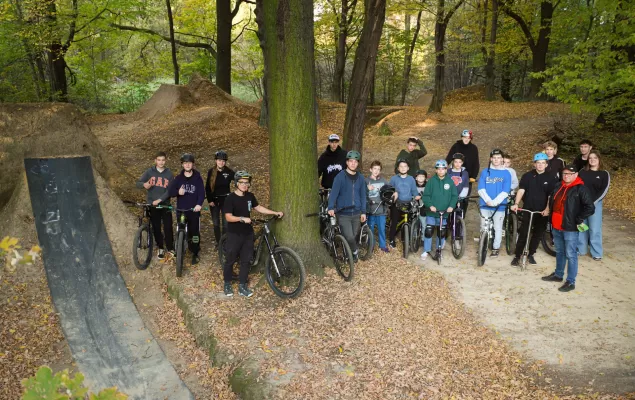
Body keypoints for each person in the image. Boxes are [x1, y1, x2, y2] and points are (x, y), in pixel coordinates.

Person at [222, 171, 284, 297]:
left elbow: (258, 207)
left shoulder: (250, 196)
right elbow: (228, 217)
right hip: (234, 233)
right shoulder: (230, 198)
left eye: (247, 183)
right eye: (242, 183)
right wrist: (241, 218)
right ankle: (227, 283)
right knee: (230, 259)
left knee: (246, 260)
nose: (245, 185)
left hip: (248, 233)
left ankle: (242, 286)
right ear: (236, 183)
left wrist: (274, 213)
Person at [542, 165, 594, 292]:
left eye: (570, 174)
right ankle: (558, 275)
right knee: (560, 252)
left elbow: (590, 207)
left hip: (570, 228)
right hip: (556, 226)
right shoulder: (558, 186)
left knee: (571, 254)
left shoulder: (581, 189)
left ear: (576, 174)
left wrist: (579, 218)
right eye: (565, 173)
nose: (567, 176)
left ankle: (571, 281)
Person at [510, 153, 558, 266]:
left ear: (546, 164)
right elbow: (521, 190)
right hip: (528, 208)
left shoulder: (552, 178)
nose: (540, 165)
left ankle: (531, 254)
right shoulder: (527, 176)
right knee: (524, 233)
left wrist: (547, 209)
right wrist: (516, 203)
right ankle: (517, 255)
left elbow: (551, 195)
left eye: (543, 163)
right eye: (538, 163)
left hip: (542, 211)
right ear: (534, 164)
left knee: (537, 234)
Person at [328, 150, 367, 261]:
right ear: (347, 162)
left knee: (354, 236)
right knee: (349, 236)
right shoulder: (340, 177)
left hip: (356, 212)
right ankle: (355, 251)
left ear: (358, 163)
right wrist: (331, 207)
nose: (353, 163)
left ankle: (349, 253)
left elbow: (363, 195)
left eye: (355, 161)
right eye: (351, 161)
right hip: (343, 213)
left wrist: (363, 211)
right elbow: (334, 193)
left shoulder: (361, 178)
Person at [168, 153, 205, 265]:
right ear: (182, 165)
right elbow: (170, 191)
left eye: (189, 163)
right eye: (185, 163)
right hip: (181, 210)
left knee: (194, 233)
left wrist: (199, 204)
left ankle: (195, 252)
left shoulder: (198, 178)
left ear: (193, 164)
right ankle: (179, 248)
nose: (187, 165)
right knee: (180, 229)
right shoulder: (178, 179)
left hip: (193, 210)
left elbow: (201, 193)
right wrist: (177, 192)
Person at [136, 151, 174, 259]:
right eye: (159, 160)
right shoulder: (149, 172)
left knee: (167, 227)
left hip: (165, 204)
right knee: (156, 227)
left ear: (165, 161)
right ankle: (160, 247)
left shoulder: (169, 174)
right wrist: (144, 184)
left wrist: (160, 199)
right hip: (152, 204)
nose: (161, 162)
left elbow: (170, 190)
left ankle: (171, 247)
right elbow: (138, 183)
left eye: (163, 160)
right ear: (155, 161)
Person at [477, 149, 512, 258]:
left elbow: (505, 190)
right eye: (494, 158)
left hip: (499, 206)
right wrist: (488, 200)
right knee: (484, 226)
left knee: (497, 227)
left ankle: (495, 248)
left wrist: (495, 202)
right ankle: (483, 245)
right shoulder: (485, 172)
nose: (496, 160)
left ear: (502, 159)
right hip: (484, 204)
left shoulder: (506, 173)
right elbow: (481, 188)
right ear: (491, 159)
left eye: (499, 158)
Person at [421, 160, 458, 261]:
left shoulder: (450, 182)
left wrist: (451, 206)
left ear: (446, 170)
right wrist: (430, 205)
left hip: (444, 213)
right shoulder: (431, 181)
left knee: (441, 232)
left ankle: (439, 250)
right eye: (439, 169)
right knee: (429, 230)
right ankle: (426, 250)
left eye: (443, 169)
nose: (441, 171)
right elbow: (426, 196)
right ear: (436, 170)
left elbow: (454, 196)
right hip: (432, 212)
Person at [577, 150, 610, 260]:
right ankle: (581, 250)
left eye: (595, 158)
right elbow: (577, 186)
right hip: (581, 204)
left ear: (599, 159)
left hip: (595, 205)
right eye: (590, 158)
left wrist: (592, 202)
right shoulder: (582, 172)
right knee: (582, 228)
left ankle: (596, 253)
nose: (592, 160)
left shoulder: (604, 173)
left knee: (595, 229)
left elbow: (604, 190)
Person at [388, 159, 420, 248]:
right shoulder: (394, 179)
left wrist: (416, 196)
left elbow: (414, 190)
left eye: (405, 166)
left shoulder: (411, 179)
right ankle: (391, 239)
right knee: (394, 222)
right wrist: (393, 193)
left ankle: (407, 239)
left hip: (408, 204)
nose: (403, 168)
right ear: (398, 168)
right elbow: (390, 190)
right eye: (401, 166)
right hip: (397, 204)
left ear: (408, 168)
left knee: (409, 222)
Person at [205, 150, 235, 244]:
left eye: (223, 161)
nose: (221, 162)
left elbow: (238, 181)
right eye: (219, 160)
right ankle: (218, 242)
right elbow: (207, 187)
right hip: (214, 201)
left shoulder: (229, 172)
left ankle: (225, 242)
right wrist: (210, 200)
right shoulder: (211, 172)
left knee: (225, 223)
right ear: (216, 161)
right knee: (216, 223)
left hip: (226, 201)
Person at [445, 130, 479, 211]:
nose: (466, 139)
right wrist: (444, 168)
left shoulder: (474, 148)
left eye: (468, 138)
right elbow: (449, 158)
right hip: (454, 174)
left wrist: (473, 176)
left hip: (467, 177)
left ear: (471, 139)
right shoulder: (456, 146)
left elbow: (476, 163)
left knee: (464, 198)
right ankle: (450, 216)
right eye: (464, 137)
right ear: (461, 137)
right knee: (450, 196)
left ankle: (461, 218)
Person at [366, 161, 389, 252]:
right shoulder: (366, 181)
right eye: (375, 169)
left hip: (381, 210)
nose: (376, 171)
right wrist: (367, 190)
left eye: (378, 169)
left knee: (381, 229)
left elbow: (388, 192)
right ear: (371, 169)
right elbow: (362, 194)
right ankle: (371, 245)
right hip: (371, 210)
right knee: (370, 229)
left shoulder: (383, 181)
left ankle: (382, 245)